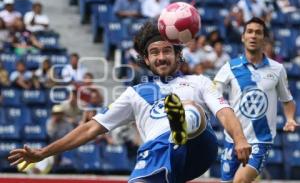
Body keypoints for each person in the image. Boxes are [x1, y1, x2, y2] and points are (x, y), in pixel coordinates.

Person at [8, 20, 251, 183]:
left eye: (167, 51)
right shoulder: (135, 94)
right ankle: (170, 140)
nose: (161, 57)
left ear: (178, 55)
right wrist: (44, 152)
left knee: (190, 108)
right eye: (154, 53)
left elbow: (224, 112)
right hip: (161, 158)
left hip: (199, 148)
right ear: (146, 59)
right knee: (151, 159)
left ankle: (179, 130)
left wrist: (239, 139)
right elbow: (91, 128)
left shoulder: (198, 82)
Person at [214, 17, 299, 183]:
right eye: (250, 32)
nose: (253, 36)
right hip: (233, 139)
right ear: (243, 37)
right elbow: (212, 93)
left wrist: (289, 119)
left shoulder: (277, 69)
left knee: (240, 181)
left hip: (261, 140)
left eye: (258, 32)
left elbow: (287, 100)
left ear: (264, 39)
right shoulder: (230, 67)